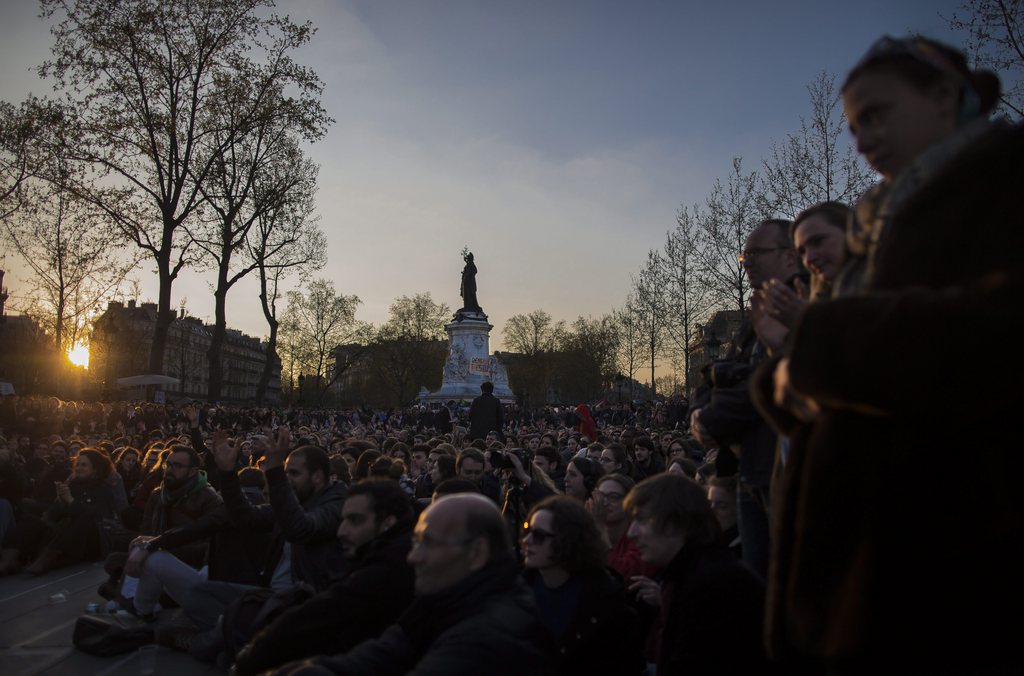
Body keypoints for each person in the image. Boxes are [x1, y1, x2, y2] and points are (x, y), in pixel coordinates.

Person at [761, 36, 1022, 674]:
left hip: (948, 540)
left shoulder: (1004, 182)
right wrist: (783, 382)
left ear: (941, 96)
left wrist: (815, 354)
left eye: (875, 115)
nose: (862, 140)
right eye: (852, 127)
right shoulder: (881, 221)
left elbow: (999, 333)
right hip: (864, 546)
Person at [271, 494, 552, 675]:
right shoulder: (444, 599)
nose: (413, 556)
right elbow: (383, 654)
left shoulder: (490, 637)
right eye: (416, 542)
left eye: (428, 543)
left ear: (477, 553)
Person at [689, 218, 803, 580]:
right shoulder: (753, 315)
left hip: (780, 467)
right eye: (744, 255)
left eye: (757, 253)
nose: (748, 261)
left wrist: (710, 420)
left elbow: (764, 383)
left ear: (789, 257)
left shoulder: (799, 306)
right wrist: (698, 409)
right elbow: (716, 374)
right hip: (751, 468)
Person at [231, 480, 416, 675]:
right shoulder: (391, 551)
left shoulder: (392, 564)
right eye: (344, 520)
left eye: (355, 520)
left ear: (387, 523)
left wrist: (254, 654)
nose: (341, 531)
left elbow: (326, 609)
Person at [625, 474, 768, 675]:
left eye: (641, 520)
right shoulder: (688, 573)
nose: (631, 532)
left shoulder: (713, 586)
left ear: (676, 521)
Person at [522, 496, 644, 676]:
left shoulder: (606, 602)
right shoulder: (515, 590)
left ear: (568, 539)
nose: (527, 540)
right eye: (527, 531)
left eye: (539, 535)